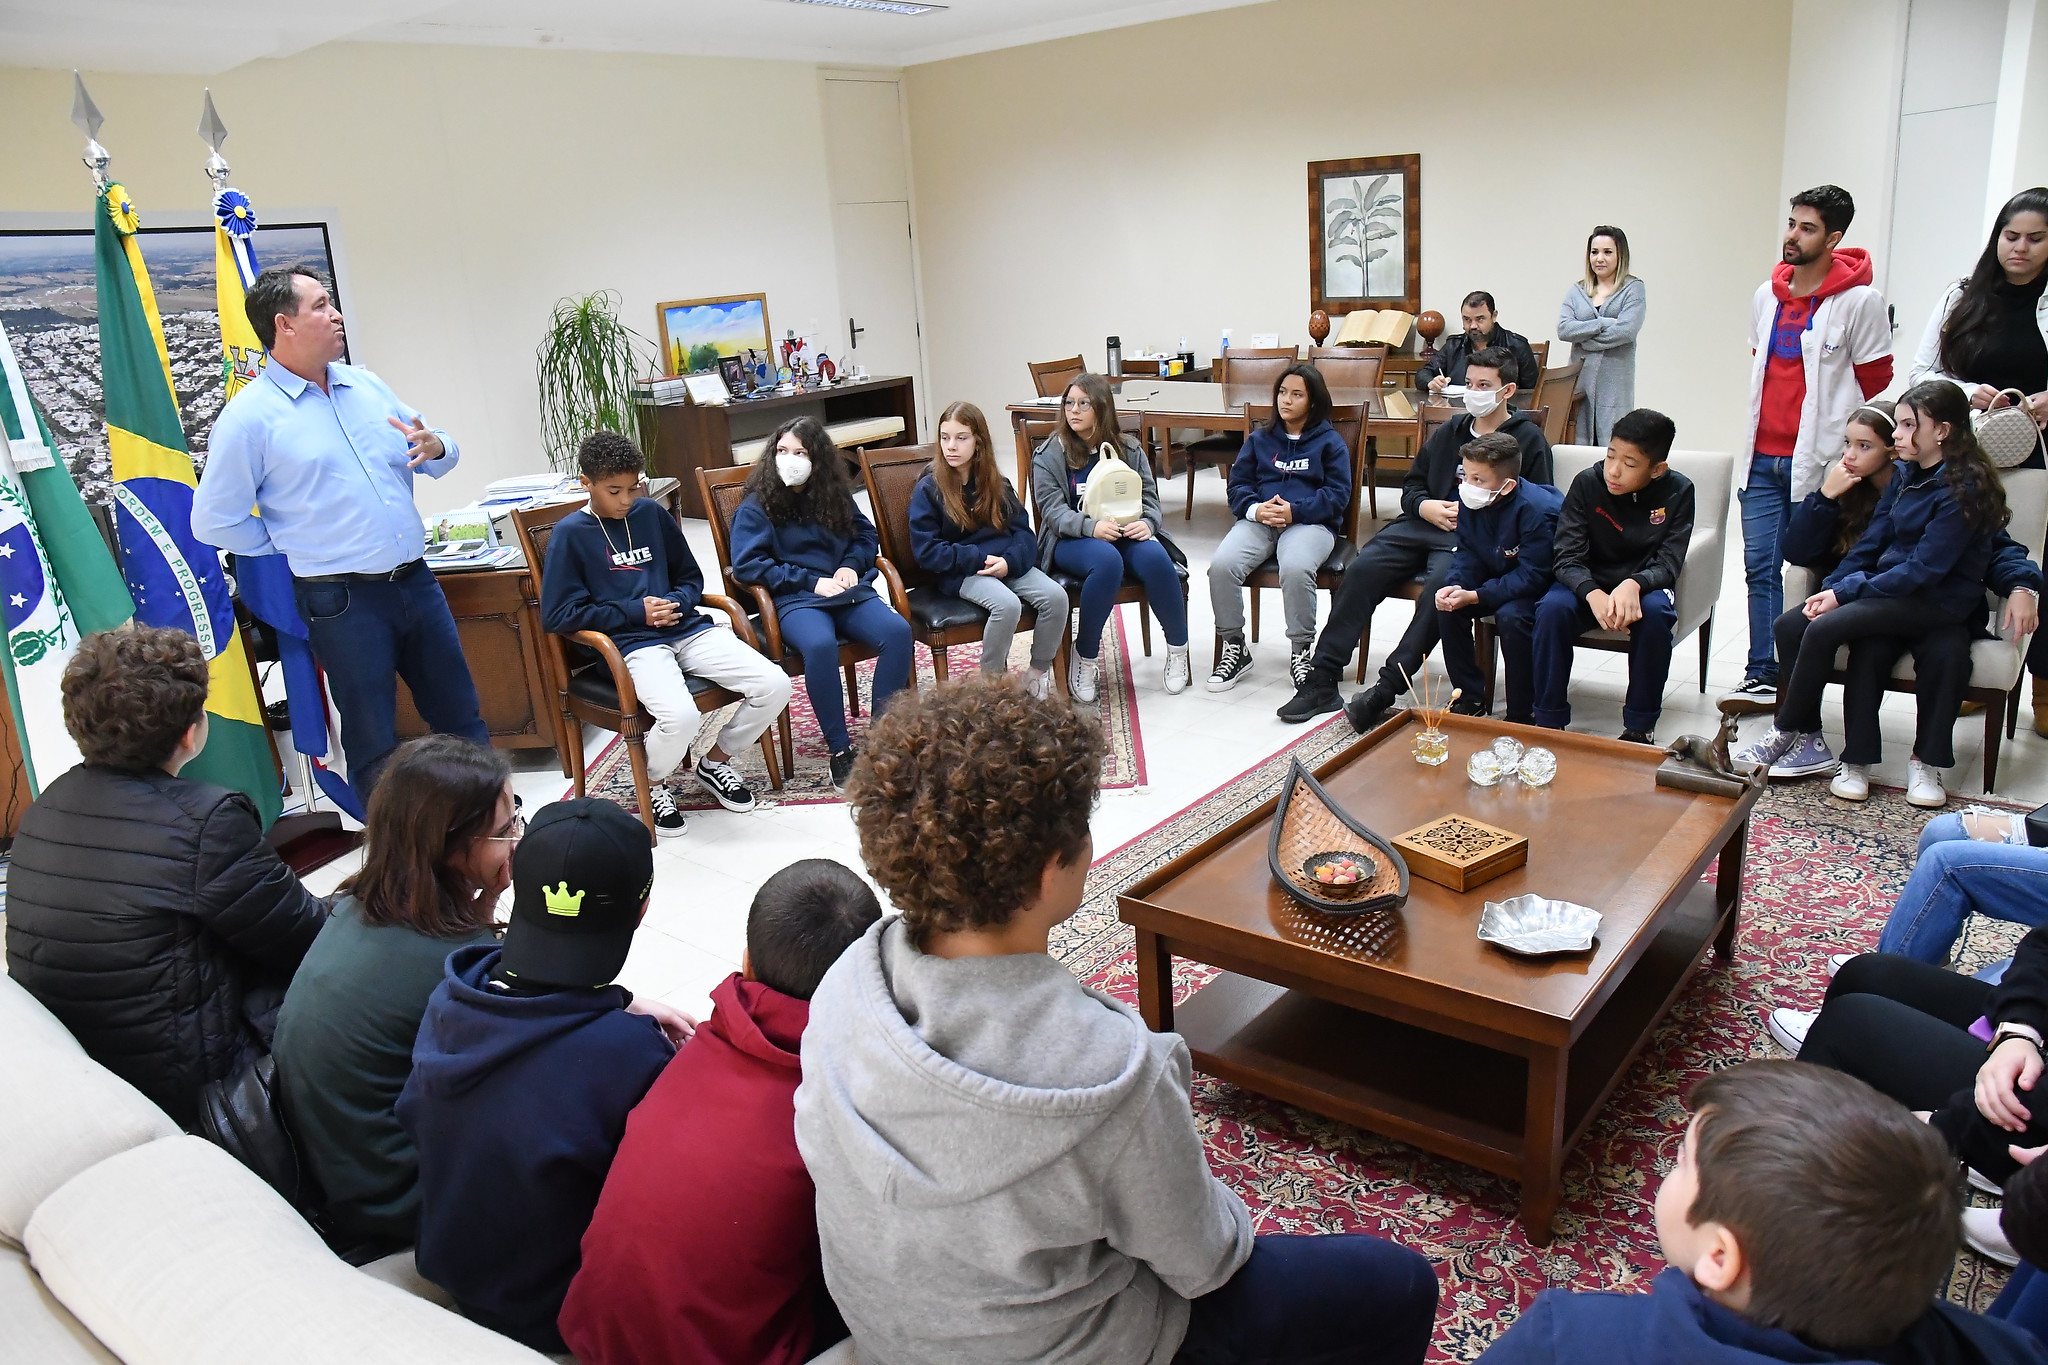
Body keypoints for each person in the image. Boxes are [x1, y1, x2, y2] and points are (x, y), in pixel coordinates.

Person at [799, 674, 1439, 1365]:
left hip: (901, 1333)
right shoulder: (1106, 1073)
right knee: (1399, 1280)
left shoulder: (846, 987)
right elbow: (1207, 1260)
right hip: (1077, 1349)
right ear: (1052, 871)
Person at [1475, 1060, 2044, 1365]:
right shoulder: (2002, 1348)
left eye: (1680, 1163)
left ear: (1720, 1257)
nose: (1665, 1173)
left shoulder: (1566, 1338)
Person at [396, 797, 692, 1353]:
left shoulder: (454, 997)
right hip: (551, 1311)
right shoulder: (629, 1057)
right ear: (642, 908)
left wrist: (617, 1007)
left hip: (454, 1267)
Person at [559, 858, 883, 1365]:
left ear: (747, 961)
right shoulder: (843, 1108)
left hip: (591, 1339)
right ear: (870, 981)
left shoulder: (686, 1056)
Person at [4, 625, 327, 1130]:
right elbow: (309, 944)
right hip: (192, 1091)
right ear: (191, 731)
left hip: (83, 1072)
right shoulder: (205, 821)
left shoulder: (49, 804)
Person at [192, 266, 488, 797]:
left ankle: (492, 823)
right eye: (322, 306)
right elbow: (213, 519)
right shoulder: (249, 418)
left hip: (416, 582)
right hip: (341, 599)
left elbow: (433, 443)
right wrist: (286, 544)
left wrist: (437, 445)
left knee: (459, 711)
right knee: (374, 737)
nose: (337, 314)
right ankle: (397, 863)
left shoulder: (366, 385)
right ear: (284, 324)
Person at [271, 734, 515, 1256]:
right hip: (397, 1197)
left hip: (336, 1168)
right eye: (505, 830)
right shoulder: (456, 962)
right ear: (452, 846)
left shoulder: (353, 906)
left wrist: (487, 898)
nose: (516, 840)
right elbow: (523, 1054)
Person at [1734, 382, 2013, 809]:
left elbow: (1925, 570)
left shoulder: (1964, 488)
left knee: (1834, 626)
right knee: (1794, 623)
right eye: (1898, 425)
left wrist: (1845, 596)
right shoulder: (1905, 474)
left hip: (1937, 603)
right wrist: (1832, 588)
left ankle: (1786, 731)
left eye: (1906, 425)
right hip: (1897, 597)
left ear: (1941, 431)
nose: (1898, 436)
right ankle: (1833, 750)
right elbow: (1872, 544)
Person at [1278, 347, 1553, 728]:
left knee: (1441, 591)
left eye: (1483, 385)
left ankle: (1386, 689)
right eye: (1469, 383)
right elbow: (1411, 487)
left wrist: (1478, 515)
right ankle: (1322, 677)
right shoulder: (1451, 431)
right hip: (1419, 526)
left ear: (1506, 391)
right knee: (1363, 568)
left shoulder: (1528, 440)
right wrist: (1426, 507)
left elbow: (1532, 505)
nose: (1472, 391)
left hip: (1472, 541)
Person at [541, 430, 790, 835]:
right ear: (586, 484)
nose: (626, 500)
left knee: (774, 684)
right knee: (679, 716)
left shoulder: (651, 514)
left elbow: (690, 577)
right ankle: (652, 782)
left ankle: (716, 762)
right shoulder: (570, 535)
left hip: (685, 628)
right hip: (631, 644)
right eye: (613, 490)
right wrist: (634, 611)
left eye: (633, 486)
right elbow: (559, 615)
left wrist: (676, 599)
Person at [1729, 186, 1895, 710]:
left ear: (1834, 237)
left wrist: (1847, 447)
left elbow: (1876, 383)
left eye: (1807, 228)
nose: (1792, 235)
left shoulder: (1859, 302)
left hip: (1821, 463)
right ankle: (1761, 673)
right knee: (1759, 567)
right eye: (1792, 223)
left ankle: (1799, 680)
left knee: (1805, 569)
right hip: (1761, 457)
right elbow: (1764, 369)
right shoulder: (1766, 295)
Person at [1909, 187, 2048, 733]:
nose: (2021, 249)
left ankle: (2042, 686)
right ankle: (1973, 677)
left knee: (2035, 566)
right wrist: (1966, 391)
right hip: (1967, 454)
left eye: (2036, 239)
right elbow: (1920, 373)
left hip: (2037, 457)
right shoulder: (1961, 296)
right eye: (2011, 237)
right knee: (1967, 558)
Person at [730, 416, 912, 791]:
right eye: (782, 451)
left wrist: (849, 566)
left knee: (898, 631)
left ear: (818, 460)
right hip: (798, 599)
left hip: (846, 592)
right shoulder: (756, 504)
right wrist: (812, 581)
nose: (789, 459)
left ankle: (880, 737)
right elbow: (748, 565)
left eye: (800, 452)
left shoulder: (834, 495)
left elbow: (865, 535)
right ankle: (840, 749)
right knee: (819, 645)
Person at [1531, 408, 1691, 742]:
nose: (1614, 471)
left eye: (1630, 464)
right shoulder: (1588, 483)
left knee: (1658, 616)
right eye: (1610, 456)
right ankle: (1548, 718)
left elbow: (1669, 561)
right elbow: (1566, 557)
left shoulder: (1679, 490)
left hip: (1643, 583)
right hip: (1588, 580)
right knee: (1551, 609)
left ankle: (1639, 725)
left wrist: (1634, 583)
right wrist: (1591, 592)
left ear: (1657, 469)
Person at [1030, 373, 1191, 700]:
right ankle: (1085, 655)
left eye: (1083, 404)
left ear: (1101, 409)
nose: (1073, 411)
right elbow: (1053, 513)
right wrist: (1091, 527)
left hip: (1124, 532)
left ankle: (1178, 652)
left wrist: (1148, 523)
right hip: (1070, 541)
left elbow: (1150, 499)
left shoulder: (1128, 449)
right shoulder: (1049, 454)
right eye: (1069, 403)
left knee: (1157, 557)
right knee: (1106, 561)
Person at [908, 400, 1068, 698]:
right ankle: (992, 686)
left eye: (961, 437)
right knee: (1007, 606)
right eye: (945, 437)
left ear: (978, 442)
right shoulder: (929, 490)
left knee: (1056, 597)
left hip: (1004, 563)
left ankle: (1036, 675)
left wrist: (1008, 562)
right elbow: (928, 551)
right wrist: (978, 559)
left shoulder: (997, 483)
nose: (951, 446)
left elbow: (1024, 534)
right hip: (963, 571)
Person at [1208, 363, 1352, 690]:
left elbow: (1337, 495)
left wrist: (1294, 512)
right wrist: (1257, 510)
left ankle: (1302, 651)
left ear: (1313, 402)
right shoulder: (1260, 440)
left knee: (1297, 567)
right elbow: (1237, 486)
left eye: (1296, 394)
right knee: (1221, 566)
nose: (1285, 400)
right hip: (1261, 519)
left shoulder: (1330, 443)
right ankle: (1235, 646)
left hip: (1310, 523)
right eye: (1282, 393)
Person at [1434, 432, 1565, 725]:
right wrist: (1457, 584)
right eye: (1466, 476)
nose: (1468, 486)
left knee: (1511, 616)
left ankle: (1522, 711)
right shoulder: (1472, 499)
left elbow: (1535, 574)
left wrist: (1479, 595)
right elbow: (1467, 551)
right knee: (1448, 606)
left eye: (1478, 480)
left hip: (1540, 587)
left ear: (1507, 486)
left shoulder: (1538, 511)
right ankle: (1469, 697)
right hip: (1498, 575)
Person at [1556, 226, 1647, 446]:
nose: (1599, 258)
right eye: (1594, 252)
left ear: (1620, 255)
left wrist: (1583, 337)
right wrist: (1602, 323)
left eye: (1607, 252)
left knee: (1613, 444)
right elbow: (1564, 329)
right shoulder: (1577, 290)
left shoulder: (1633, 289)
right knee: (1578, 446)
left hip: (1614, 384)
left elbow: (1626, 331)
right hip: (1581, 383)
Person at [1418, 291, 1541, 399]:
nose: (1473, 326)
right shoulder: (1454, 345)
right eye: (1467, 319)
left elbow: (1532, 392)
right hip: (1458, 413)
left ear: (1494, 316)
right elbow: (1423, 373)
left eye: (1480, 319)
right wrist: (1431, 382)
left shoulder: (1516, 346)